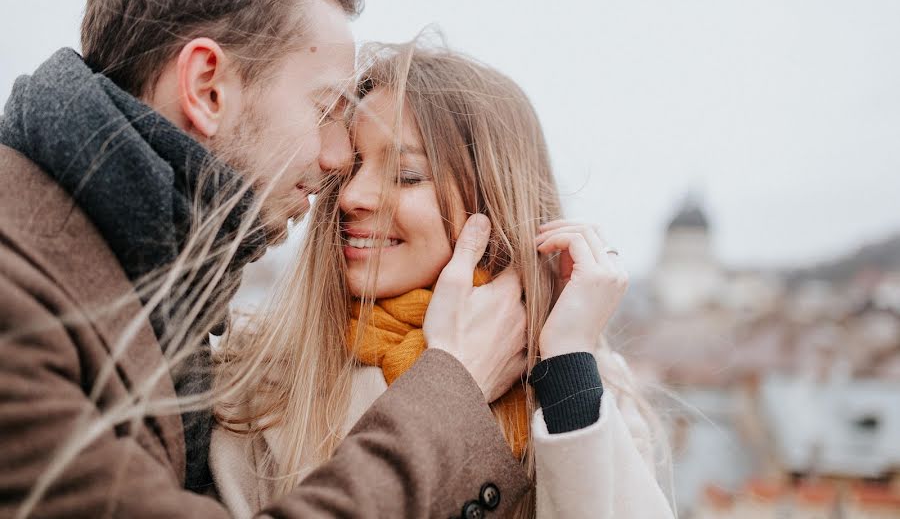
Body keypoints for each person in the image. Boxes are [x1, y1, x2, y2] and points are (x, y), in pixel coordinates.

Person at [0, 0, 533, 517]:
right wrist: (448, 396)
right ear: (207, 88)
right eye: (324, 108)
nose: (337, 161)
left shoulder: (151, 284)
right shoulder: (16, 294)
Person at [211, 42, 676, 519]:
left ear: (492, 201)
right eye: (349, 169)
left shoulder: (589, 383)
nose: (351, 195)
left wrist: (568, 365)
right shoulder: (255, 377)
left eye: (407, 175)